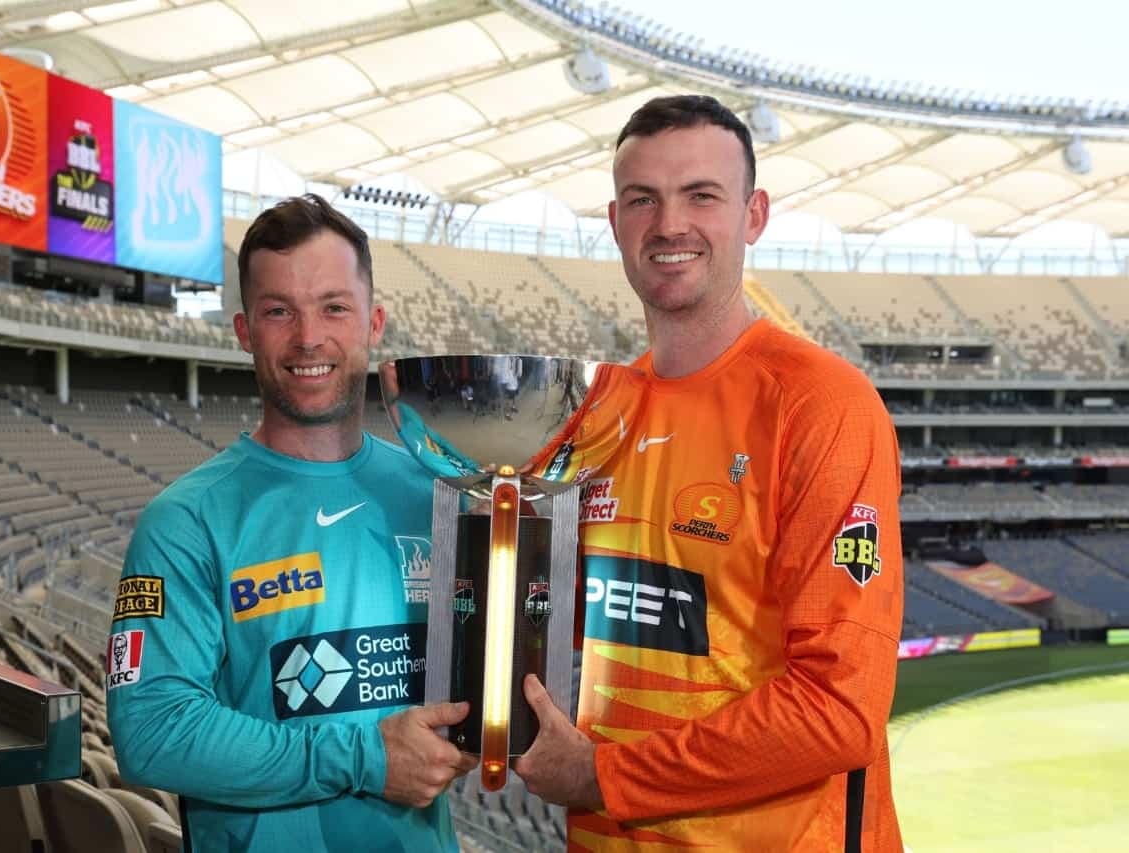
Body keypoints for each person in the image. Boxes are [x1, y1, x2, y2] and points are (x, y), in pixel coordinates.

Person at [514, 95, 905, 851]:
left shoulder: (823, 405)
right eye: (643, 200)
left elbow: (839, 710)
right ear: (616, 221)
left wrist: (604, 776)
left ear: (753, 215)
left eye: (702, 195)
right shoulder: (596, 410)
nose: (669, 225)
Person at [106, 194, 476, 852]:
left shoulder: (439, 495)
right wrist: (364, 756)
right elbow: (153, 732)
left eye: (334, 307)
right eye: (280, 311)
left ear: (374, 322)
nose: (308, 337)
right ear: (246, 330)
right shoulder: (186, 522)